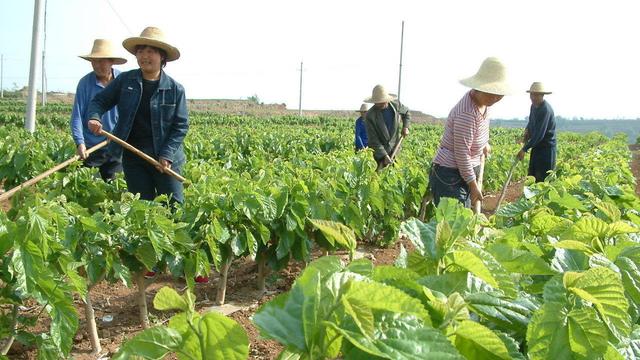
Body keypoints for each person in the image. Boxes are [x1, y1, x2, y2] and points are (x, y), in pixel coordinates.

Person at [87, 26, 188, 204]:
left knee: (174, 208)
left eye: (150, 51)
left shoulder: (175, 89)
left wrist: (166, 155)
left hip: (164, 160)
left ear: (162, 56)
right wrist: (95, 117)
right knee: (141, 208)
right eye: (140, 51)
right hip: (134, 158)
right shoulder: (125, 81)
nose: (144, 56)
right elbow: (99, 101)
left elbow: (180, 126)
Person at [430, 57, 512, 208]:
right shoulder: (466, 114)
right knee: (454, 225)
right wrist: (473, 186)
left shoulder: (484, 104)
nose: (495, 98)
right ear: (479, 87)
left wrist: (484, 144)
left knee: (461, 221)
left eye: (499, 94)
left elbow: (478, 132)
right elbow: (462, 154)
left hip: (464, 172)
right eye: (491, 93)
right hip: (450, 175)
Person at [70, 39, 127, 181]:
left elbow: (129, 112)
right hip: (91, 148)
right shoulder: (85, 83)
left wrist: (118, 133)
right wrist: (80, 143)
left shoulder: (123, 80)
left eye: (102, 61)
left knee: (115, 187)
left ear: (111, 61)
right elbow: (77, 115)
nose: (97, 65)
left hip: (115, 146)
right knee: (87, 189)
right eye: (94, 61)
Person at [363, 85, 410, 169]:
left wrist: (405, 127)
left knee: (395, 176)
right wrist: (384, 155)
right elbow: (373, 140)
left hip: (396, 150)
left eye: (381, 101)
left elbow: (406, 113)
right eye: (376, 102)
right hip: (379, 156)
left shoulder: (396, 105)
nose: (378, 104)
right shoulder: (370, 116)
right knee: (379, 179)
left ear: (387, 100)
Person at [517, 82, 556, 182]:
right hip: (536, 147)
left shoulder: (545, 110)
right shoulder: (533, 107)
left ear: (542, 95)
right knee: (532, 175)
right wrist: (527, 131)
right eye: (532, 94)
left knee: (543, 180)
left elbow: (539, 134)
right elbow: (531, 122)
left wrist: (524, 149)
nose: (533, 97)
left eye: (536, 95)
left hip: (546, 150)